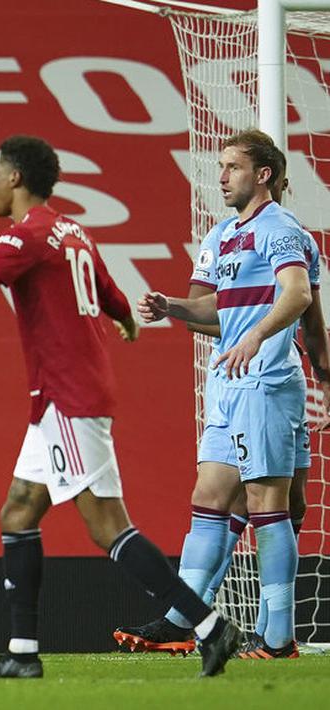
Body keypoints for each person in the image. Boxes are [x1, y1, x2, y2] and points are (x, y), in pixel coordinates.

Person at [0, 135, 242, 678]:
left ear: (15, 178)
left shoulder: (28, 235)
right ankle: (22, 653)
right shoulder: (72, 230)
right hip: (64, 399)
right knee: (17, 512)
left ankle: (209, 628)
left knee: (108, 528)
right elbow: (107, 286)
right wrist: (125, 318)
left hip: (69, 398)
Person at [116, 132, 320, 660]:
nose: (221, 176)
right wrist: (173, 308)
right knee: (209, 497)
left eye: (232, 167)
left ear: (264, 174)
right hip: (228, 382)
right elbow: (214, 314)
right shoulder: (222, 235)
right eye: (221, 166)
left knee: (267, 505)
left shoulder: (279, 230)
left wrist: (259, 335)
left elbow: (297, 296)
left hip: (265, 381)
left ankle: (277, 637)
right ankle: (184, 618)